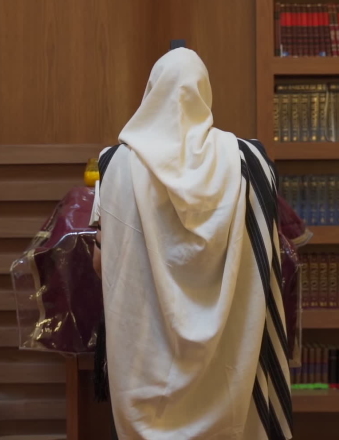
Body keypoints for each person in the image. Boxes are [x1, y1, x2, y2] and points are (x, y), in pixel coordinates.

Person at [90, 48, 293, 440]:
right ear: (205, 93)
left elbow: (102, 265)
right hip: (231, 358)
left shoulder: (115, 165)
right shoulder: (249, 162)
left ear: (151, 92)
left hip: (144, 361)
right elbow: (267, 258)